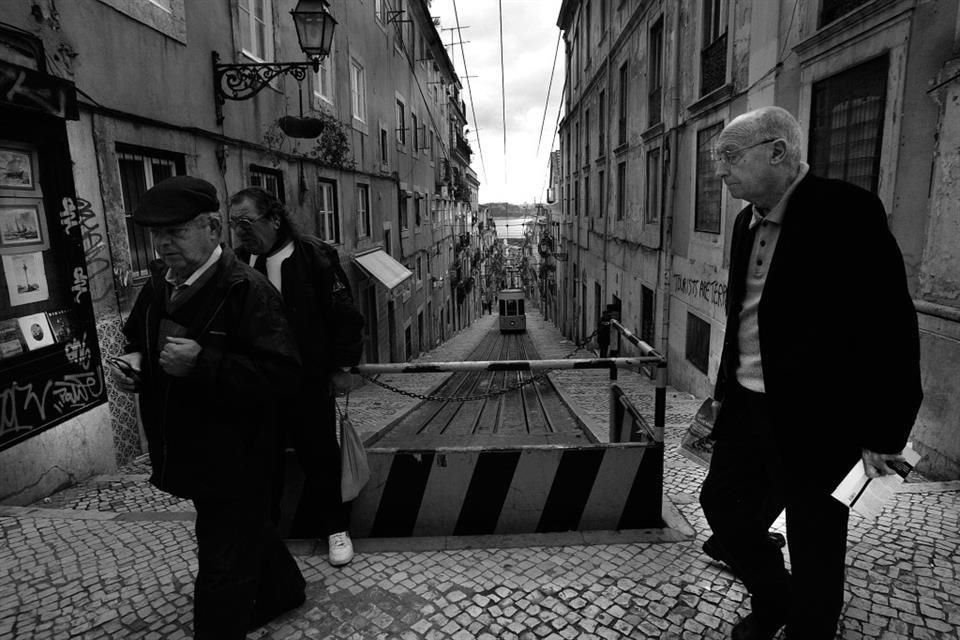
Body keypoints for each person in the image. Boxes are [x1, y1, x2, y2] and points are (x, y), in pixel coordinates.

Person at [698, 106, 922, 640]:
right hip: (747, 407)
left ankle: (810, 627)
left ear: (778, 151)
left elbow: (890, 325)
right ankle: (775, 598)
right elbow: (743, 314)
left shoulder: (847, 212)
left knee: (815, 532)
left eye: (729, 156)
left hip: (819, 419)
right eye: (717, 159)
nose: (720, 171)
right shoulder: (743, 220)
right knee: (722, 507)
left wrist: (885, 433)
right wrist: (725, 389)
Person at [110, 176, 306, 638]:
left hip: (238, 455)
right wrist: (135, 362)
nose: (162, 245)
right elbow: (138, 335)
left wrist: (205, 364)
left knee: (220, 562)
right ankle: (284, 589)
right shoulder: (160, 283)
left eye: (176, 232)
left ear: (212, 228)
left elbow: (283, 375)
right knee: (243, 530)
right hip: (187, 446)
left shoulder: (248, 291)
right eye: (156, 235)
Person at [228, 187, 364, 567]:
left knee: (320, 457)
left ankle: (336, 530)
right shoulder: (238, 262)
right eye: (234, 223)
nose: (240, 231)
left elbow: (345, 315)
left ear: (273, 219)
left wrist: (341, 367)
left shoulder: (315, 257)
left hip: (308, 381)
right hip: (258, 385)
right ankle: (266, 538)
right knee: (262, 463)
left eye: (246, 221)